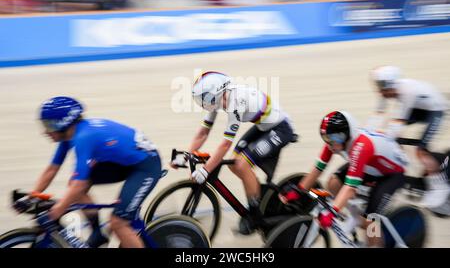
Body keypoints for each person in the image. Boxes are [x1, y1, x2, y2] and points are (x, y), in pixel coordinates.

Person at [19, 96, 161, 248]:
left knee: (118, 223)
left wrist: (54, 213)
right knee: (74, 185)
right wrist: (33, 196)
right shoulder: (69, 135)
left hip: (146, 167)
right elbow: (52, 169)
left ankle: (113, 228)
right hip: (125, 163)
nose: (45, 131)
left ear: (63, 123)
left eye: (48, 125)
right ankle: (97, 233)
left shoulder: (83, 137)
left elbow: (79, 185)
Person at [171, 71, 296, 234]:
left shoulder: (236, 103)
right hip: (264, 127)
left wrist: (206, 170)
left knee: (241, 164)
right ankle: (257, 193)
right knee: (233, 164)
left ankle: (256, 214)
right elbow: (203, 133)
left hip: (280, 129)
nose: (202, 103)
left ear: (216, 92)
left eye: (204, 98)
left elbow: (224, 145)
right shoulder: (219, 99)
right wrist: (186, 155)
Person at [280, 111, 409, 247]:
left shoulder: (361, 146)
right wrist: (299, 189)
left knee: (371, 220)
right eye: (327, 138)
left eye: (336, 138)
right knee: (334, 182)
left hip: (391, 175)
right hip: (370, 166)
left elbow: (350, 187)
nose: (332, 144)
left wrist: (332, 211)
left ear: (347, 134)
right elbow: (318, 168)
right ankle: (355, 216)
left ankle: (373, 240)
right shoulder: (334, 140)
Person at [368, 66, 449, 209]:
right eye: (378, 86)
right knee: (392, 135)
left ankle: (439, 187)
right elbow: (378, 115)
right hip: (421, 108)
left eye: (382, 87)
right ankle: (399, 163)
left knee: (420, 150)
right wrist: (366, 135)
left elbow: (399, 121)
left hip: (436, 110)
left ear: (391, 84)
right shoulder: (387, 91)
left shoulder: (407, 92)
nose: (380, 91)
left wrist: (383, 140)